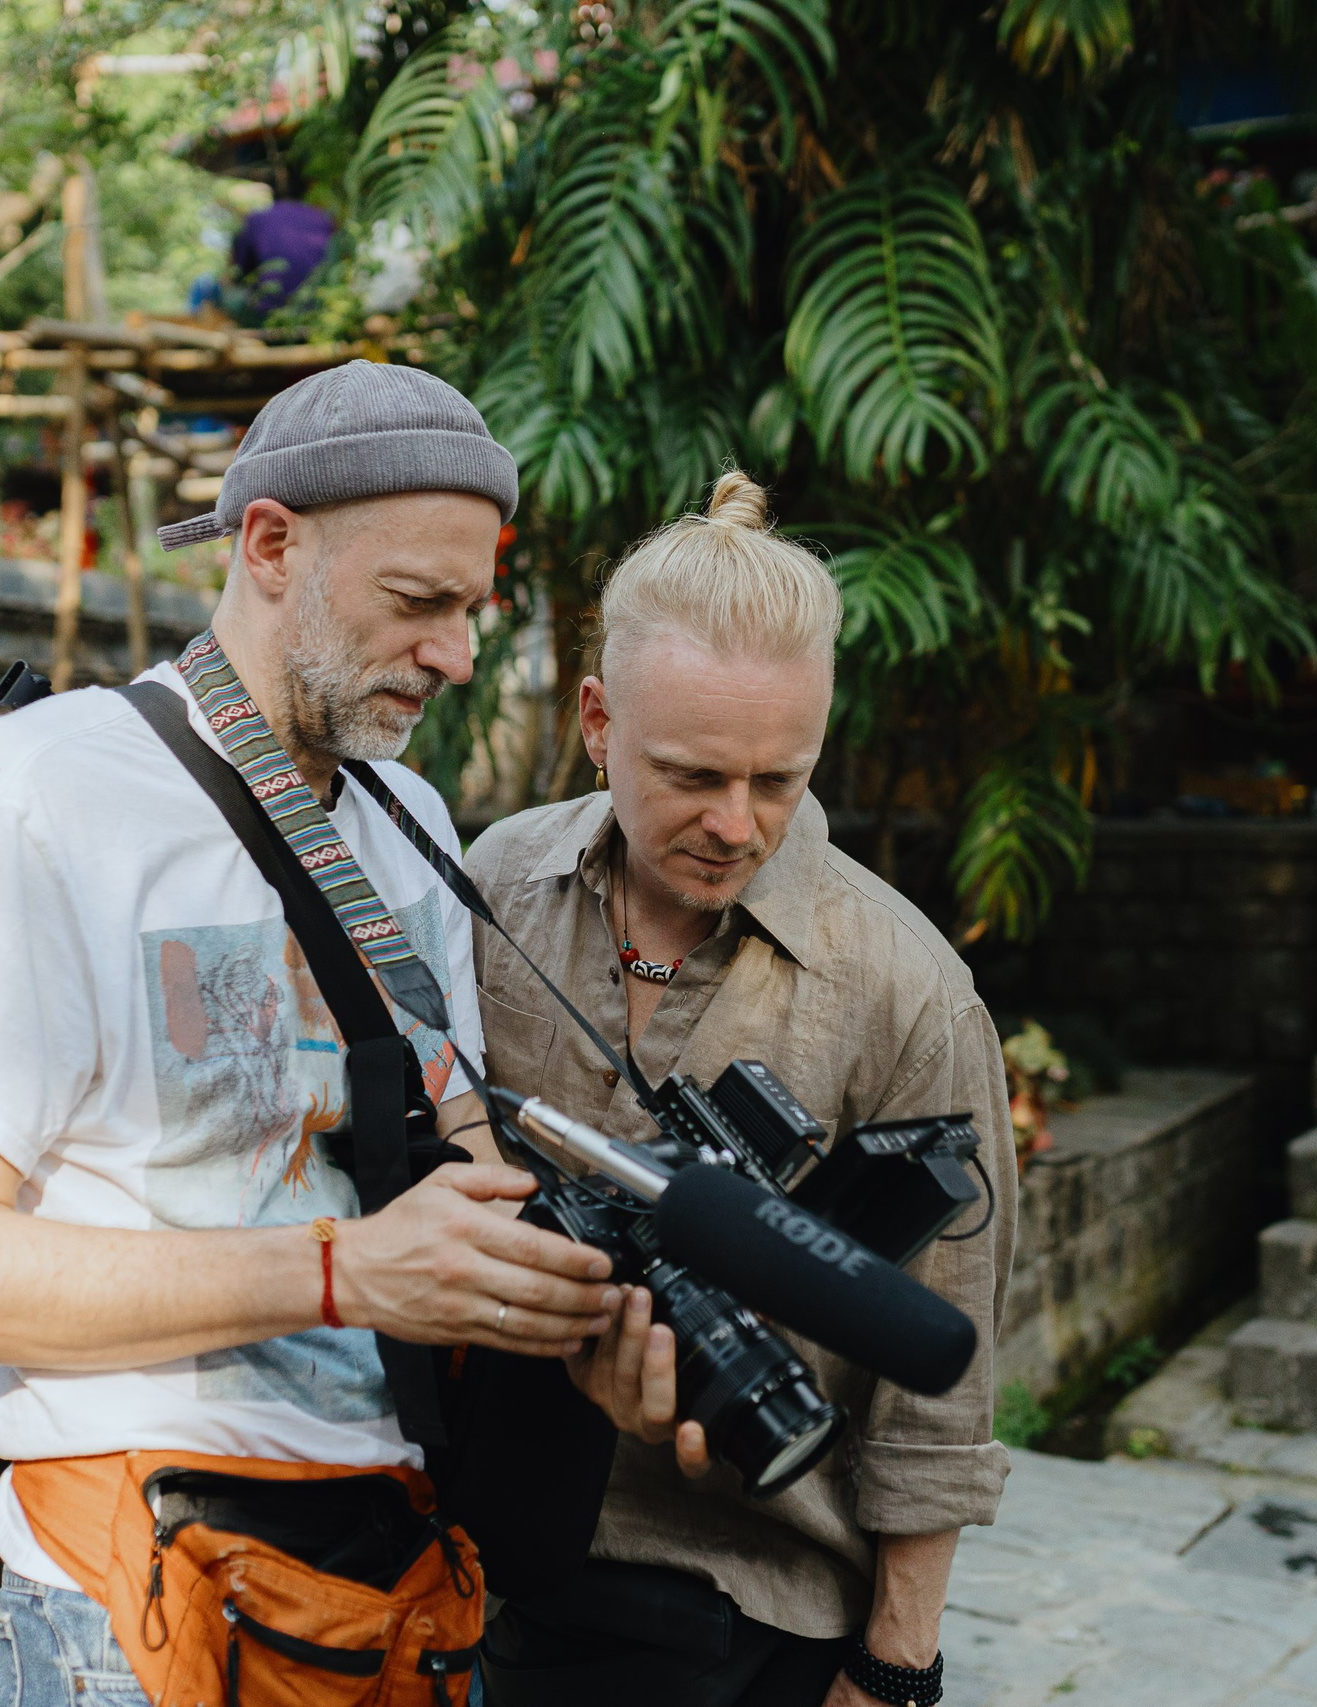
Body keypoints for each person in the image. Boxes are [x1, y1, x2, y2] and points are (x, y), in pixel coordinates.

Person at [0, 361, 625, 1707]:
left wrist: (577, 1288)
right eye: (418, 603)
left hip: (396, 1576)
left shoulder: (409, 822)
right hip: (148, 1598)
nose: (456, 654)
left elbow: (452, 1148)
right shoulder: (33, 798)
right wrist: (341, 1273)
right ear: (270, 544)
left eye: (473, 611)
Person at [465, 471, 1019, 1707]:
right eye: (692, 774)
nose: (736, 823)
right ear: (597, 719)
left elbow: (947, 1377)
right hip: (491, 1575)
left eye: (780, 780)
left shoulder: (907, 989)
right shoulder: (494, 884)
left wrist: (895, 1669)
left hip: (749, 1611)